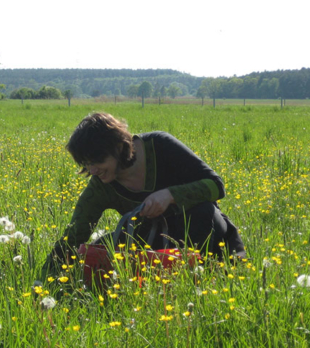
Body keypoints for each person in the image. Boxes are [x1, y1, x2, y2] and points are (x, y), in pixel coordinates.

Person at [42, 112, 245, 277]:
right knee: (99, 250)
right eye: (86, 164)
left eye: (97, 161)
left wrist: (170, 195)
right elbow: (74, 235)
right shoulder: (99, 186)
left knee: (204, 212)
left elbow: (216, 186)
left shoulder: (160, 145)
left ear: (119, 147)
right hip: (148, 240)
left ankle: (203, 272)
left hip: (197, 230)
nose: (92, 170)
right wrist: (42, 282)